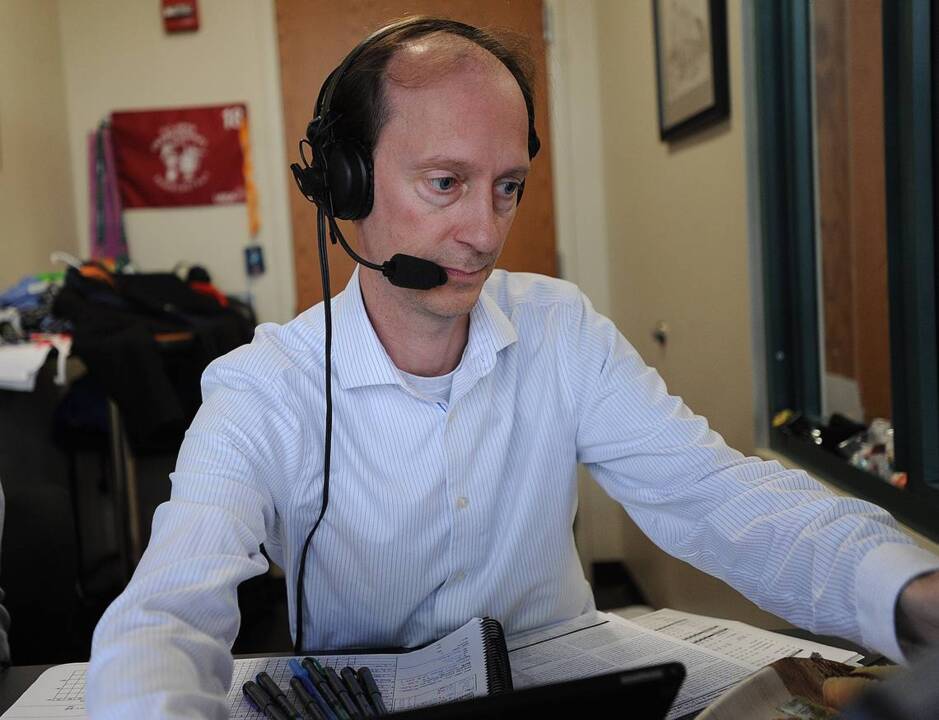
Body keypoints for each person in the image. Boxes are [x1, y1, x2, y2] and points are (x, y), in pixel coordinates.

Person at [88, 16, 939, 718]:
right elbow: (167, 612)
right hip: (371, 697)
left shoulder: (559, 327)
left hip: (574, 677)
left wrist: (909, 589)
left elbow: (715, 497)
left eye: (506, 187)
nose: (485, 233)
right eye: (445, 183)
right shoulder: (261, 387)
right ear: (343, 187)